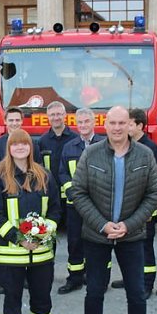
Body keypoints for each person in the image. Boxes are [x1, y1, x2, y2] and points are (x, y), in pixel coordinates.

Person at [70, 106, 157, 314]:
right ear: (105, 124)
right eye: (113, 123)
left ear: (131, 125)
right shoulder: (91, 154)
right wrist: (102, 225)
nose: (118, 128)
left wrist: (130, 225)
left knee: (136, 294)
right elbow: (78, 192)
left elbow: (154, 194)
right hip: (97, 237)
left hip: (132, 237)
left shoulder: (145, 155)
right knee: (94, 293)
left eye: (123, 123)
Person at [0, 129, 66, 314]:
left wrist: (43, 235)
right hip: (10, 255)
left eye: (25, 144)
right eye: (15, 144)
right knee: (12, 301)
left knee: (42, 299)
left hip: (41, 254)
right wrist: (19, 238)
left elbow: (55, 210)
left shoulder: (44, 175)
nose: (20, 148)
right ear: (9, 148)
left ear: (31, 148)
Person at [110, 108, 157, 297]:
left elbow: (155, 183)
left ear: (140, 126)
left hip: (144, 211)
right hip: (128, 210)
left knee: (145, 249)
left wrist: (149, 210)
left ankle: (146, 284)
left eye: (129, 123)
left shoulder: (151, 150)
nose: (125, 127)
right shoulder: (127, 147)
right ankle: (130, 278)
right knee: (128, 248)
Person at [57, 108, 104, 295]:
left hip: (97, 205)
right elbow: (62, 172)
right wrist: (71, 191)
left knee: (97, 242)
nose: (83, 125)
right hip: (75, 204)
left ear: (94, 123)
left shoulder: (104, 144)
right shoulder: (69, 146)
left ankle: (96, 277)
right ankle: (75, 278)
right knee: (74, 241)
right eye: (80, 122)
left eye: (87, 121)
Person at [38, 101, 77, 206]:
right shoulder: (42, 141)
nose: (56, 118)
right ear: (48, 117)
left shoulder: (76, 139)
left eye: (59, 114)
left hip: (72, 194)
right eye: (52, 115)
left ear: (65, 115)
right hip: (51, 193)